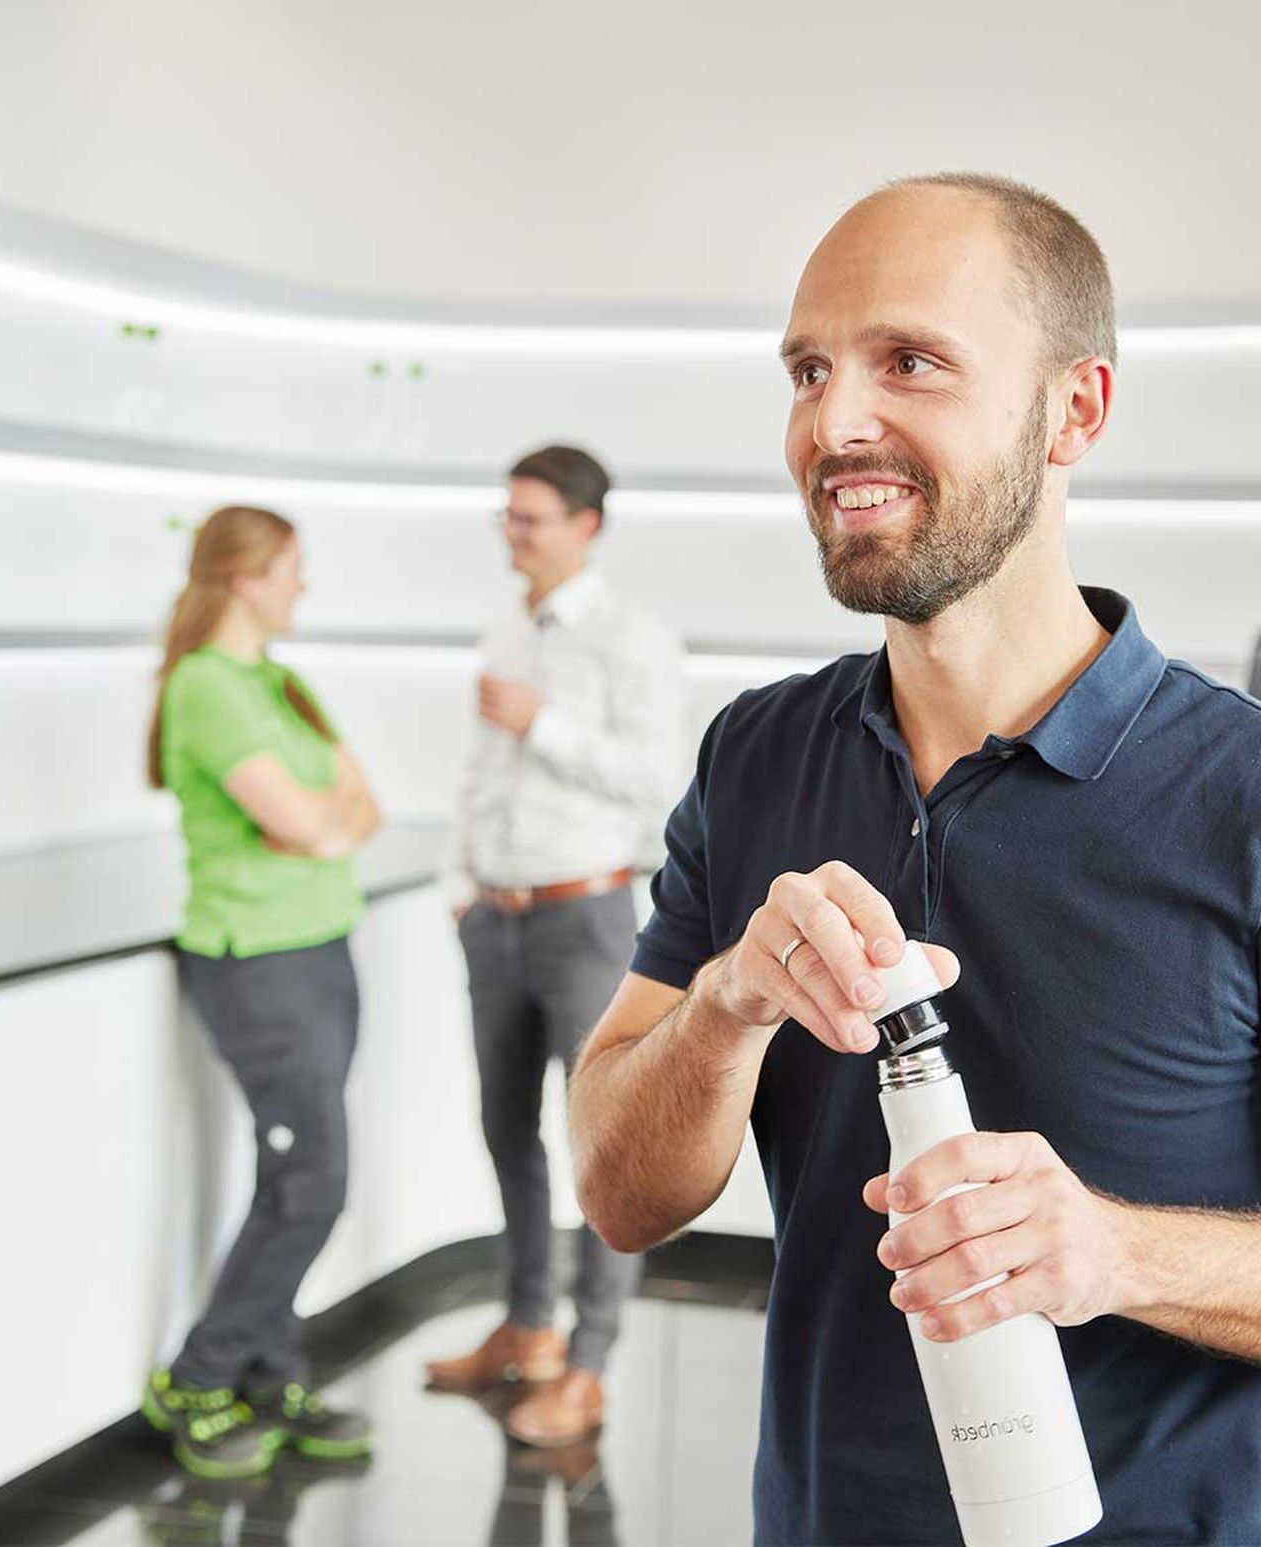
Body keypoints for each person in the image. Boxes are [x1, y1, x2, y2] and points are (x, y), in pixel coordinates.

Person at [568, 174, 1261, 1544]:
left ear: (1075, 410)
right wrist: (724, 1008)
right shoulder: (755, 753)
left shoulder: (1237, 790)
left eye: (911, 362)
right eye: (809, 370)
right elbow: (618, 1194)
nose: (835, 423)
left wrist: (1118, 1249)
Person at [425, 445, 685, 1447]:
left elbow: (658, 779)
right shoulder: (508, 626)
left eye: (530, 518)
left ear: (588, 525)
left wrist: (546, 725)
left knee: (604, 1145)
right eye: (507, 515)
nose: (513, 535)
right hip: (494, 917)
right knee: (505, 1128)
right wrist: (460, 889)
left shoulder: (634, 636)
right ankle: (528, 1326)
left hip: (585, 918)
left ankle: (588, 1365)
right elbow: (478, 772)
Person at [140, 505, 382, 1479]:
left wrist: (320, 823)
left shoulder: (281, 683)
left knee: (295, 1177)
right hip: (256, 959)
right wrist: (320, 821)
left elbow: (357, 811)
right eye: (289, 568)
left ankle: (269, 1372)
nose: (301, 586)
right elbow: (313, 820)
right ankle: (197, 1377)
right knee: (314, 1179)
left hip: (323, 945)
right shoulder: (203, 685)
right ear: (243, 578)